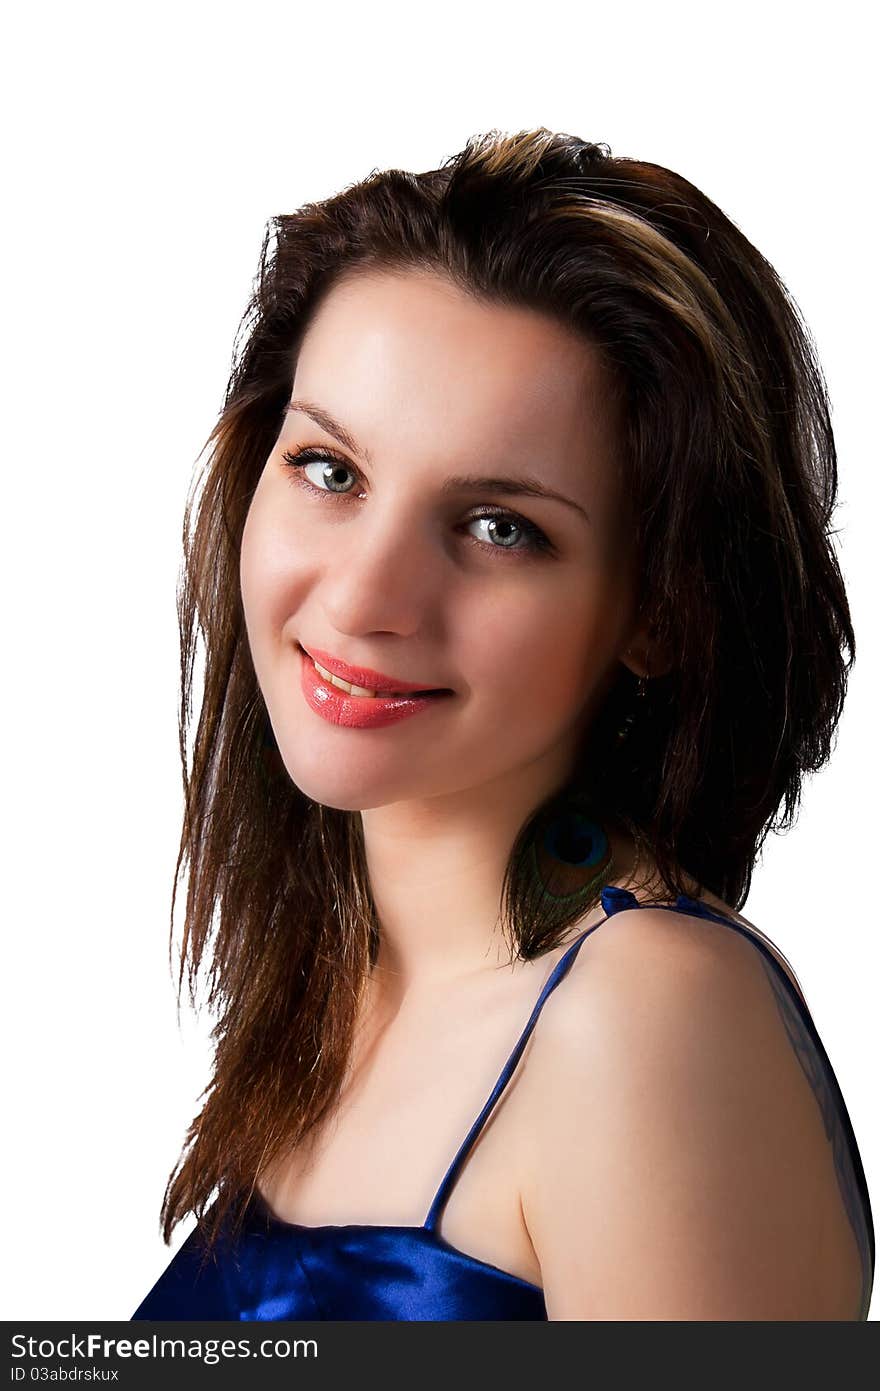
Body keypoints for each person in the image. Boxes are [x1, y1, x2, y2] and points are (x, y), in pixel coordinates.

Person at [131, 127, 874, 1321]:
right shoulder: (345, 988)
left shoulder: (645, 1017)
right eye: (331, 470)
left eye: (498, 526)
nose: (365, 597)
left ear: (658, 610)